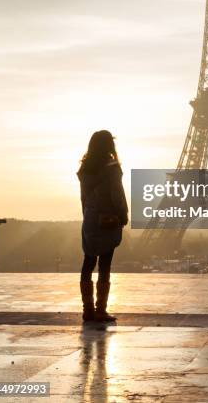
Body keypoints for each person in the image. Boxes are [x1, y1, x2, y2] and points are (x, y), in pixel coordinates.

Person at [77, 130, 128, 322]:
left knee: (88, 262)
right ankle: (101, 310)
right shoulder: (112, 168)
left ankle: (87, 310)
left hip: (90, 219)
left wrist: (88, 215)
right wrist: (123, 215)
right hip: (108, 219)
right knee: (105, 264)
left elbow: (83, 198)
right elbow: (117, 195)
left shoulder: (85, 170)